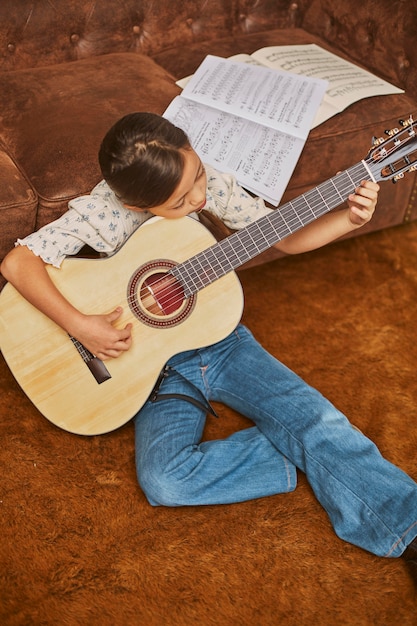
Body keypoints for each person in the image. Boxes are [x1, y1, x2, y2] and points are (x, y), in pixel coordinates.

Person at [1, 112, 416, 584]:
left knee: (316, 417)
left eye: (196, 173)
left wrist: (347, 217)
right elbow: (18, 263)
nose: (199, 196)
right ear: (137, 204)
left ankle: (406, 525)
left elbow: (283, 235)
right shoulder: (106, 212)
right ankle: (312, 451)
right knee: (165, 481)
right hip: (152, 372)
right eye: (180, 201)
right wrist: (82, 326)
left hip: (220, 340)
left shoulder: (207, 182)